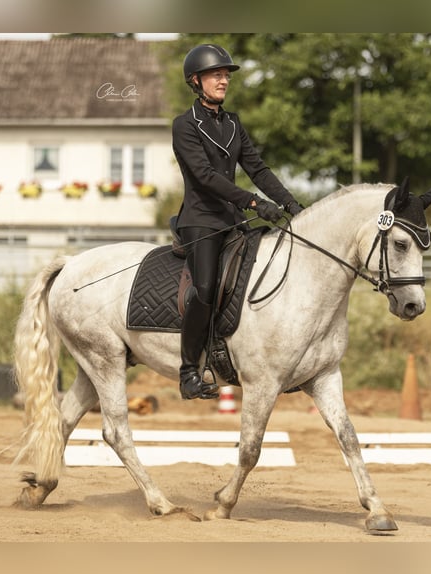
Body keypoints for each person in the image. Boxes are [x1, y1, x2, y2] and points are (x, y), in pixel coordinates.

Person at [172, 43, 303, 401]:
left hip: (231, 219)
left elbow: (257, 168)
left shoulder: (233, 123)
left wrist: (291, 203)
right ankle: (188, 372)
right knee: (207, 287)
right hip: (201, 220)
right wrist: (252, 202)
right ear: (196, 81)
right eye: (217, 74)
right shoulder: (184, 125)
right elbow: (202, 176)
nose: (224, 80)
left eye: (226, 75)